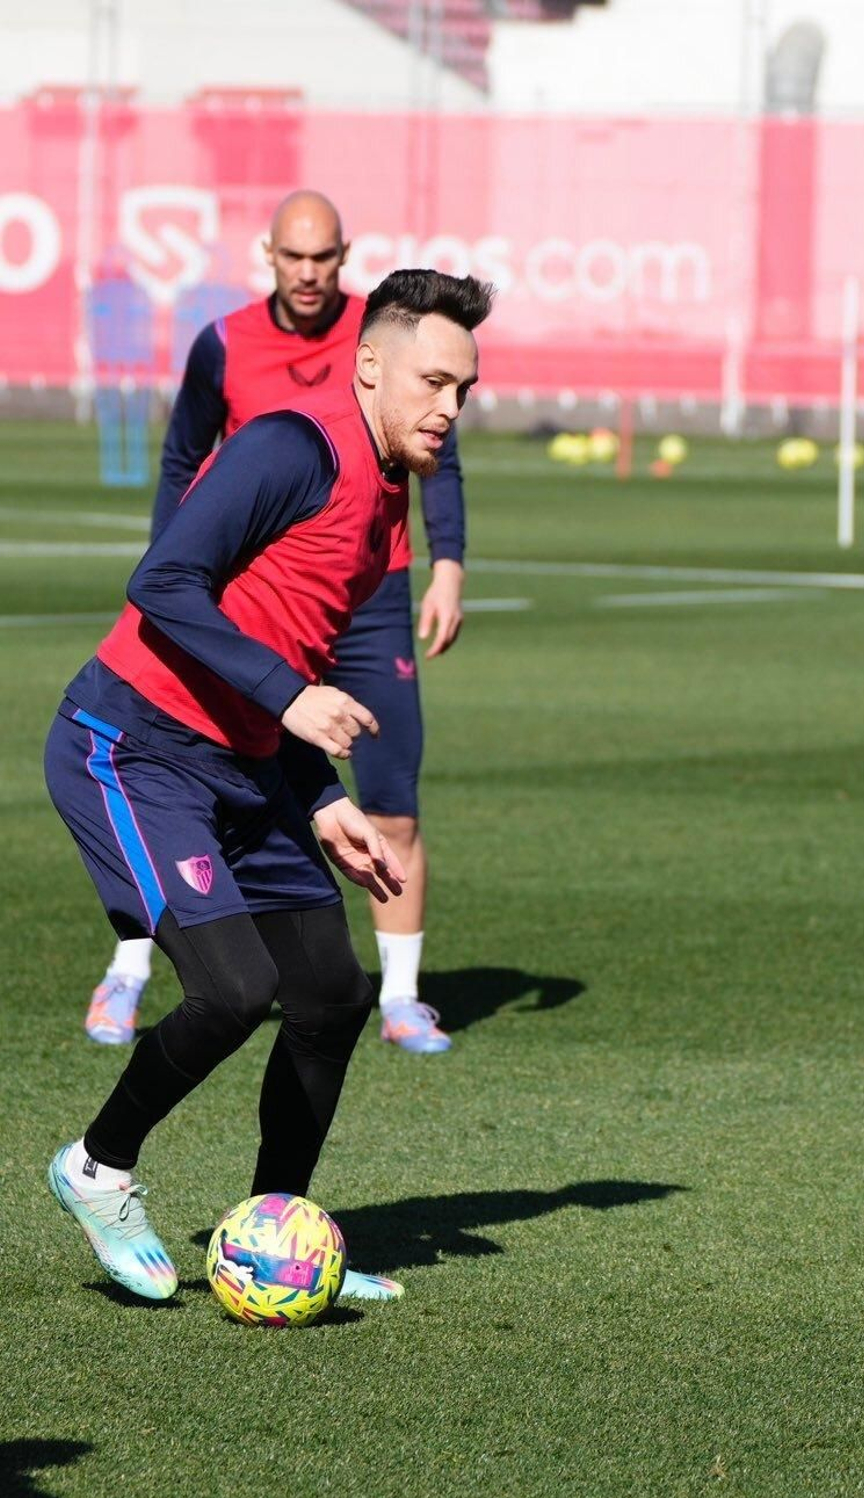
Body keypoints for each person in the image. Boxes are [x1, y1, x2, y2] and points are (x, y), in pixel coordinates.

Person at [45, 268, 493, 1302]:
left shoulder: (388, 499)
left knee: (332, 992)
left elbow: (279, 641)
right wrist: (294, 701)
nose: (449, 409)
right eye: (433, 381)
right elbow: (161, 582)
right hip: (133, 745)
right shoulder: (295, 445)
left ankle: (275, 1231)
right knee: (235, 989)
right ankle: (97, 1167)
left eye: (464, 391)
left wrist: (323, 797)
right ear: (370, 363)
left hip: (247, 765)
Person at [84, 190, 464, 1057]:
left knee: (387, 794)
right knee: (179, 780)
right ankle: (129, 971)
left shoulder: (398, 344)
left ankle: (400, 996)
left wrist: (448, 561)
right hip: (236, 598)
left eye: (323, 257)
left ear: (343, 255)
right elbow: (185, 462)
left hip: (371, 594)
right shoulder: (225, 344)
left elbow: (437, 460)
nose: (308, 272)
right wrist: (181, 570)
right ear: (269, 255)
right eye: (293, 257)